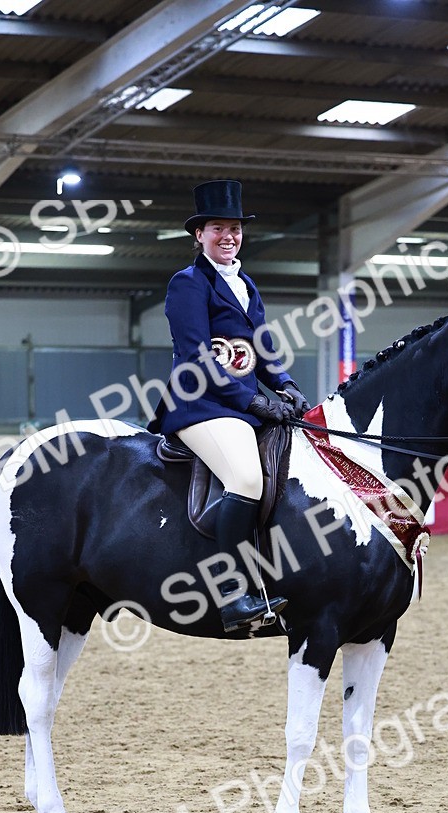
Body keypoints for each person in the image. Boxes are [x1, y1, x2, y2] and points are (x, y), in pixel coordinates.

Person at [150, 179, 309, 632]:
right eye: (217, 228)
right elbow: (199, 357)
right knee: (244, 477)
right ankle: (231, 594)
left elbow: (262, 344)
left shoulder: (244, 283)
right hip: (198, 403)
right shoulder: (188, 283)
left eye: (235, 228)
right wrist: (256, 399)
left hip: (238, 405)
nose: (228, 236)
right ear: (198, 235)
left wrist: (285, 384)